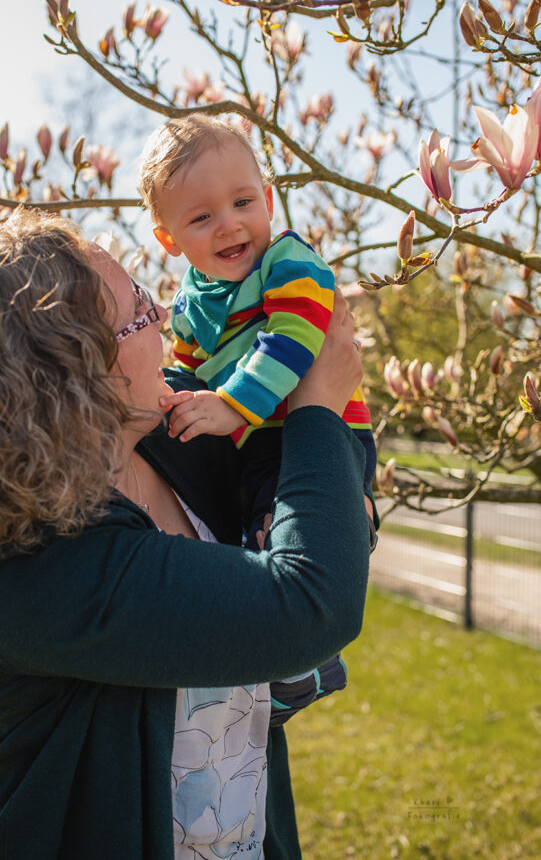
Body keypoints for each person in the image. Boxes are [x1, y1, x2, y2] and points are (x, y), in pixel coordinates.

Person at [0, 211, 371, 860]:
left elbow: (313, 517)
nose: (165, 316)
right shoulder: (31, 562)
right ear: (74, 376)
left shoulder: (175, 429)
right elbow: (310, 601)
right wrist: (319, 407)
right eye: (141, 310)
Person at [139, 114, 378, 724]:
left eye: (243, 201)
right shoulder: (192, 303)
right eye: (201, 217)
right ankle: (296, 665)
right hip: (258, 440)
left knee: (280, 534)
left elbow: (294, 343)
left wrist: (229, 405)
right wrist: (182, 401)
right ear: (169, 240)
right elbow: (190, 368)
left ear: (268, 200)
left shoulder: (288, 262)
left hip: (324, 428)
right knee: (255, 538)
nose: (230, 223)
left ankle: (300, 666)